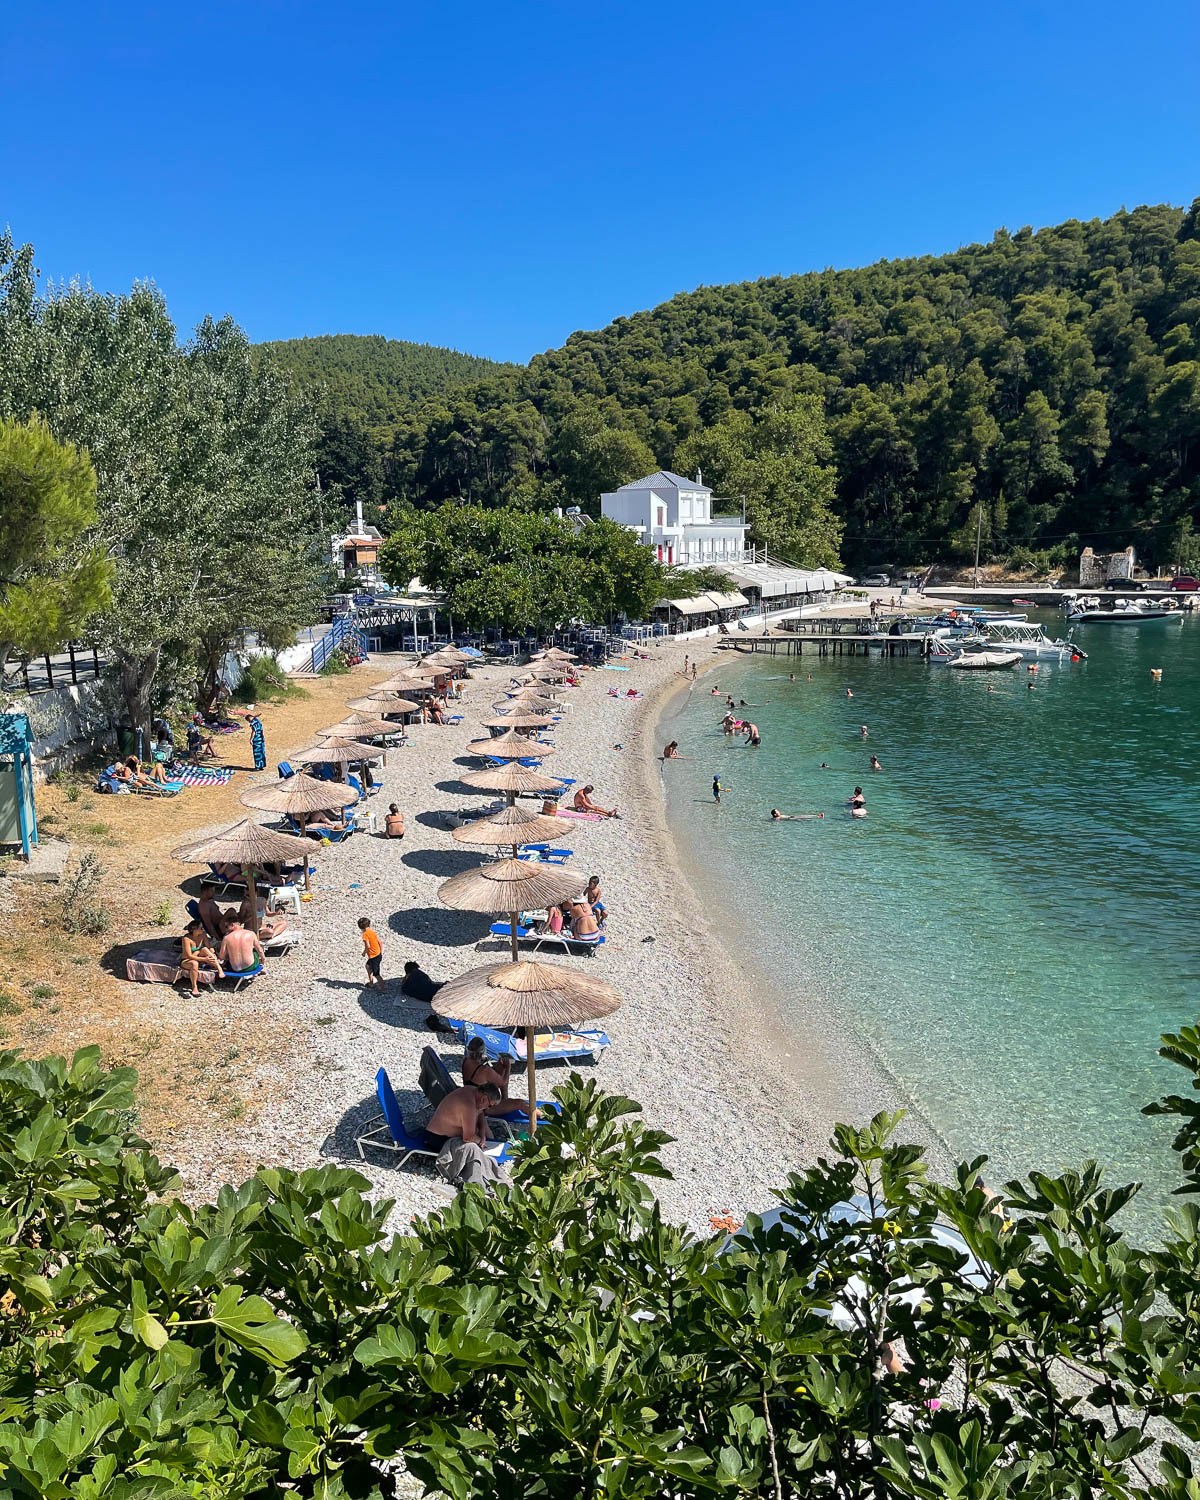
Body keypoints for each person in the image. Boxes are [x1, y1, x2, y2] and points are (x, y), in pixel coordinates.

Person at [424, 1083, 506, 1191]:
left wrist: (482, 1132)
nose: (488, 1109)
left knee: (476, 1146)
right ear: (484, 1098)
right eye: (490, 1105)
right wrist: (480, 1141)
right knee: (472, 1149)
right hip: (437, 1139)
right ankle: (477, 1182)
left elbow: (480, 1112)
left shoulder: (473, 1091)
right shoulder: (468, 1105)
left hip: (445, 1134)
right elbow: (468, 1137)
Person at [179, 921, 223, 995]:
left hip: (198, 956)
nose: (203, 930)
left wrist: (212, 952)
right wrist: (204, 959)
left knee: (205, 949)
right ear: (194, 929)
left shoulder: (203, 935)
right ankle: (194, 987)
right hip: (187, 960)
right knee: (194, 963)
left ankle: (219, 968)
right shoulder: (186, 939)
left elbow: (208, 947)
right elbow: (189, 955)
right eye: (201, 928)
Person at [401, 960, 444, 1025]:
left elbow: (405, 989)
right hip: (434, 991)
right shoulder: (418, 973)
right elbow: (428, 983)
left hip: (428, 998)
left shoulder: (406, 986)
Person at [357, 916, 383, 987]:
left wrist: (364, 953)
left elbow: (367, 946)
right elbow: (380, 942)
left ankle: (383, 989)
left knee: (376, 974)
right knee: (368, 966)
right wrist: (380, 951)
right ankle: (371, 983)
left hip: (373, 957)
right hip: (378, 954)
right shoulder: (372, 932)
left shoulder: (365, 934)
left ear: (360, 927)